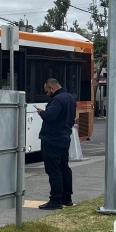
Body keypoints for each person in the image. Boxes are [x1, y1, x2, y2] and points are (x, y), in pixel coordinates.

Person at [35, 78, 77, 210]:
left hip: (52, 140)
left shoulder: (57, 100)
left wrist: (42, 112)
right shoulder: (70, 98)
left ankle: (55, 200)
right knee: (64, 168)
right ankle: (67, 198)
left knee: (53, 170)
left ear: (52, 88)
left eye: (47, 91)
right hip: (64, 138)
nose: (47, 93)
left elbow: (50, 117)